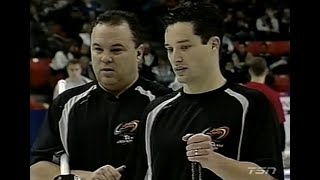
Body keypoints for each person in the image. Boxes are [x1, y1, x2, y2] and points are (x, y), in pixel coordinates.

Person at [121, 2, 284, 180]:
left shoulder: (250, 104)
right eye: (170, 49)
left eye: (185, 47)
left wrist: (216, 162)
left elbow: (269, 175)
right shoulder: (155, 111)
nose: (175, 57)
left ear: (214, 44)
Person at [30, 10, 172, 180]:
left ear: (139, 53)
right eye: (98, 49)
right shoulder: (65, 104)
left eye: (116, 50)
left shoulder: (166, 104)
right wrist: (89, 177)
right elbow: (36, 170)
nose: (105, 58)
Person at [245, 57, 286, 152]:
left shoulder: (240, 92)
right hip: (265, 146)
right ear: (266, 71)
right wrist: (281, 148)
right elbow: (279, 125)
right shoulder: (273, 95)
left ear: (250, 71)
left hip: (244, 145)